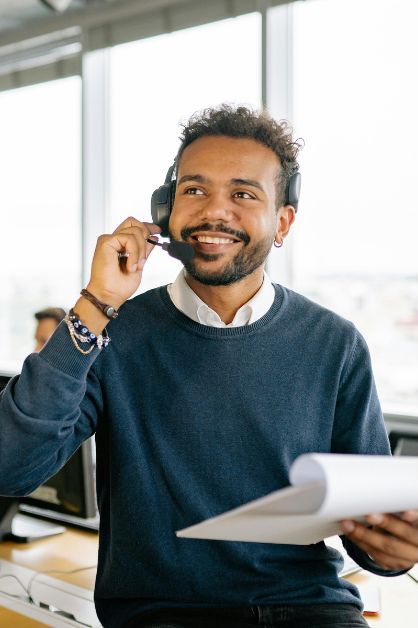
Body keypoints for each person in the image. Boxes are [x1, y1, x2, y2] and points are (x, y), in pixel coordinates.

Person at [0, 105, 417, 628]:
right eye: (194, 190)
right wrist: (97, 301)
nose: (213, 212)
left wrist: (393, 552)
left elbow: (373, 534)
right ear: (165, 210)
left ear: (283, 221)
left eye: (243, 194)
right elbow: (9, 465)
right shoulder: (114, 334)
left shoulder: (335, 344)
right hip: (163, 616)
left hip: (311, 610)